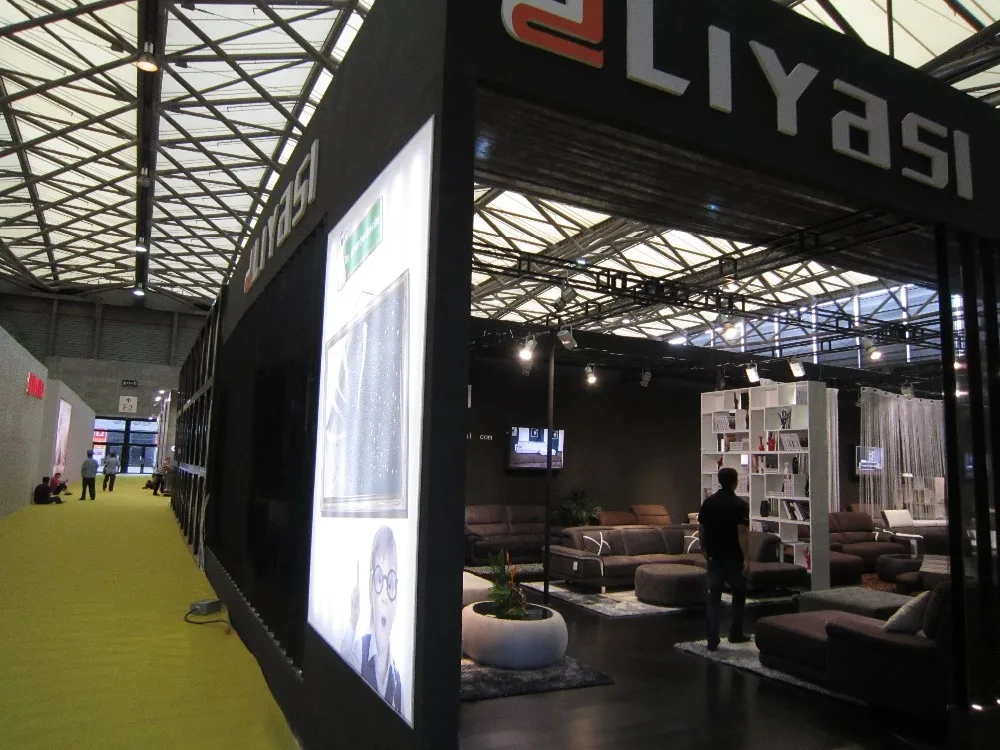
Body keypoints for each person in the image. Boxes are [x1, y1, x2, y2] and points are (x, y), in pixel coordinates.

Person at [341, 526, 403, 716]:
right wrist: (353, 620)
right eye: (378, 580)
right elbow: (337, 680)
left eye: (390, 583)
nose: (384, 596)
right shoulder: (359, 651)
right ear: (370, 592)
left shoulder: (398, 681)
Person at [699, 466, 751, 651]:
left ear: (719, 481)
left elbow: (702, 528)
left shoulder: (708, 503)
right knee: (738, 595)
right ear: (735, 482)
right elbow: (742, 532)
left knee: (713, 598)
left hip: (714, 556)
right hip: (734, 557)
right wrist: (747, 558)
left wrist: (703, 548)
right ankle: (736, 632)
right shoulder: (740, 505)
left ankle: (712, 638)